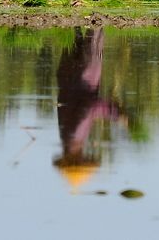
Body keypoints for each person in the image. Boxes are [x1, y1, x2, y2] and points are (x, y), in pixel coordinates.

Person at [53, 28, 125, 193]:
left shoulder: (74, 137)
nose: (85, 155)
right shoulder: (68, 137)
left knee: (93, 27)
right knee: (78, 30)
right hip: (70, 75)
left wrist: (115, 112)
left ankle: (91, 4)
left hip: (83, 74)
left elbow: (89, 107)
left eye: (82, 159)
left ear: (75, 159)